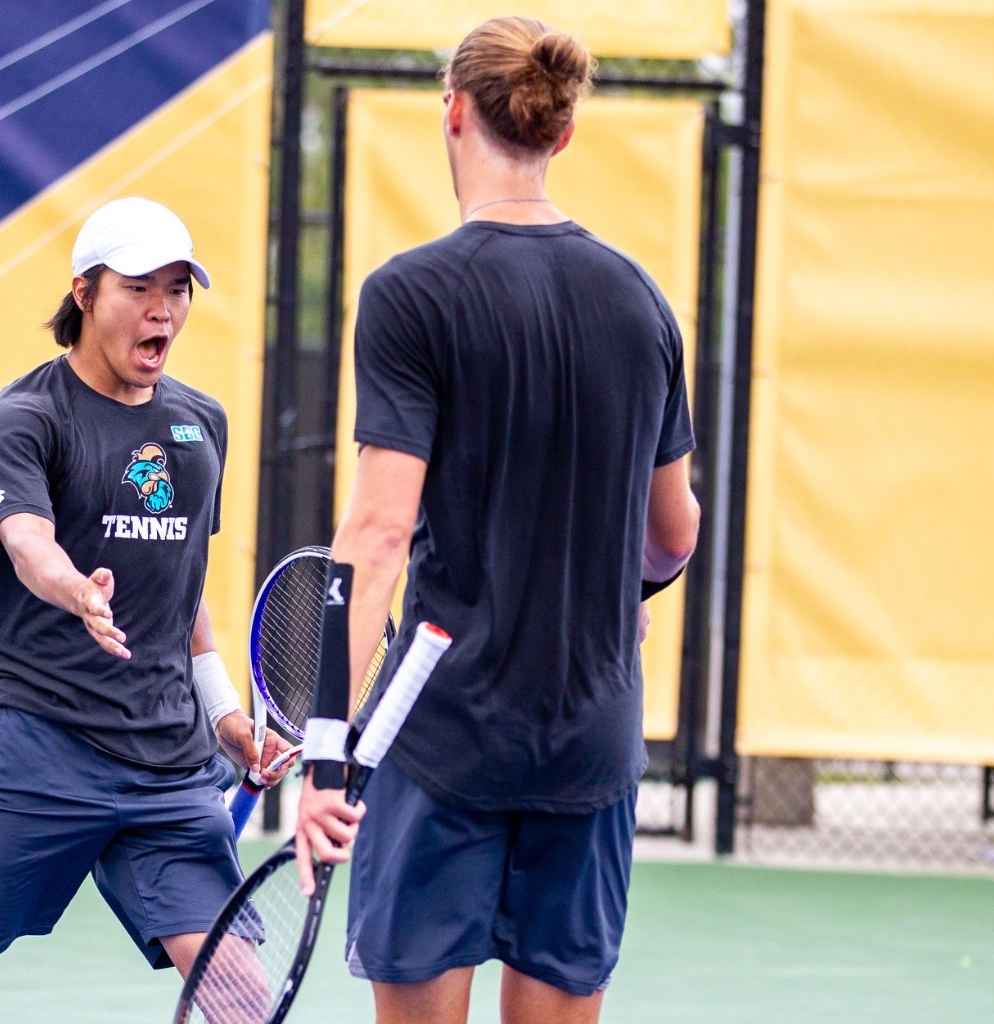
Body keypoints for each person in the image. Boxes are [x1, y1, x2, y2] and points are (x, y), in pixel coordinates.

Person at [294, 17, 702, 1024]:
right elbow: (674, 534)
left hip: (442, 740)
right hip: (591, 738)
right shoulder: (642, 303)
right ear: (561, 134)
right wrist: (626, 589)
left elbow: (380, 536)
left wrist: (321, 751)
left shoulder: (409, 296)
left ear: (453, 114)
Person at [0, 197, 284, 1024]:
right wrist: (74, 589)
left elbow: (182, 587)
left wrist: (226, 717)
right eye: (138, 287)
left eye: (178, 288)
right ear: (85, 292)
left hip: (168, 765)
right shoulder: (22, 420)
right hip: (35, 746)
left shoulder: (200, 423)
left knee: (241, 995)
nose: (162, 308)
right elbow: (26, 541)